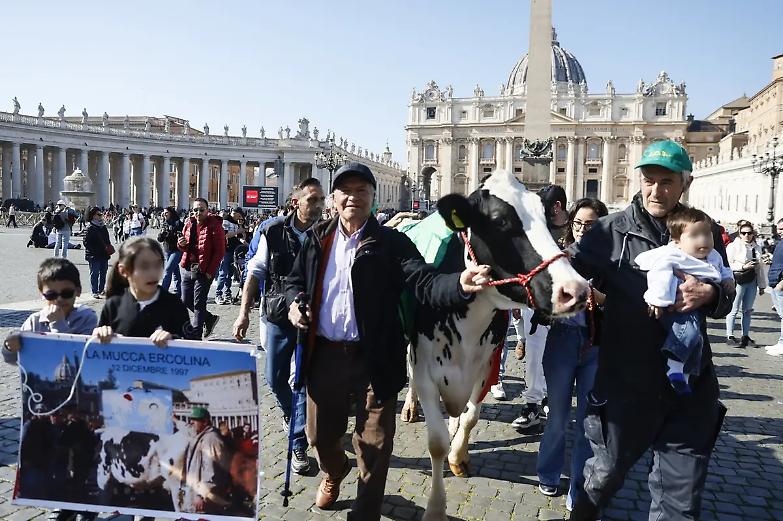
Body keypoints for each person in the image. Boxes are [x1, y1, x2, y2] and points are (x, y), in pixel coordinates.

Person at [284, 162, 490, 520]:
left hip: (375, 357)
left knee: (375, 446)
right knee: (319, 437)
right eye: (345, 190)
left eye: (361, 191)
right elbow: (292, 282)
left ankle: (365, 514)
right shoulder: (316, 239)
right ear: (333, 199)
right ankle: (334, 471)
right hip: (326, 354)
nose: (353, 197)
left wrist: (458, 284)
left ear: (372, 198)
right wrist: (292, 304)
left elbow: (424, 281)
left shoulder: (392, 242)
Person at [567, 140, 733, 520]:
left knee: (681, 502)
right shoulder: (607, 232)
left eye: (666, 182)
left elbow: (726, 290)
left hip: (688, 389)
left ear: (684, 183)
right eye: (649, 180)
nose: (656, 190)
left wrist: (710, 294)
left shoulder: (705, 228)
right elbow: (564, 274)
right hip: (625, 385)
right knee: (604, 478)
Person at [233, 177, 325, 475]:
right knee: (274, 379)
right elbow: (255, 273)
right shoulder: (271, 231)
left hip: (312, 317)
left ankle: (297, 443)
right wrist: (243, 313)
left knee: (301, 381)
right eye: (312, 200)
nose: (319, 206)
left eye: (322, 200)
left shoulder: (326, 234)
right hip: (276, 314)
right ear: (296, 202)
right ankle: (291, 415)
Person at [1, 258, 98, 521]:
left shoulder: (87, 318)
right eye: (51, 294)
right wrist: (10, 347)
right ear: (41, 294)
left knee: (80, 455)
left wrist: (57, 324)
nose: (58, 301)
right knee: (54, 455)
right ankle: (59, 502)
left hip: (79, 404)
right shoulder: (33, 321)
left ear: (77, 291)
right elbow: (13, 360)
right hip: (47, 407)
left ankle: (85, 504)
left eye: (66, 294)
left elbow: (76, 350)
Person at [536, 197, 607, 511]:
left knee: (588, 422)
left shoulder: (613, 258)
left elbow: (621, 300)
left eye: (589, 224)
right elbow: (540, 298)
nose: (581, 229)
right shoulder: (560, 258)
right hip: (563, 341)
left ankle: (579, 487)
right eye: (577, 223)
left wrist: (591, 292)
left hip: (597, 344)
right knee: (557, 416)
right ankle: (548, 471)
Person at [635, 207, 735, 394]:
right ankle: (673, 366)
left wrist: (726, 281)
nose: (703, 240)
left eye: (707, 234)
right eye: (695, 236)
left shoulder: (713, 255)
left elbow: (722, 269)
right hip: (674, 305)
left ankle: (686, 375)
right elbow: (659, 273)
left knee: (697, 342)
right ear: (677, 241)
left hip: (695, 309)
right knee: (688, 332)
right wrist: (658, 299)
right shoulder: (673, 255)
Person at [93, 237, 197, 344]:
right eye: (144, 266)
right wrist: (100, 334)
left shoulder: (174, 305)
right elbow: (98, 353)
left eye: (157, 265)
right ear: (124, 271)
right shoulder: (113, 305)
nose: (153, 273)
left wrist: (173, 340)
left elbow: (193, 348)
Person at [178, 198, 225, 338]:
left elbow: (220, 251)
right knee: (186, 300)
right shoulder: (189, 223)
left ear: (207, 210)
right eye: (195, 210)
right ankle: (209, 318)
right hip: (187, 267)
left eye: (201, 209)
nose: (198, 212)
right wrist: (181, 244)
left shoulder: (215, 225)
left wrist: (210, 272)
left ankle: (196, 336)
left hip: (204, 270)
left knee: (199, 302)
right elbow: (184, 246)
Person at [180, 407, 230, 514]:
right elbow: (186, 428)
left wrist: (201, 495)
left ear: (205, 421)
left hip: (203, 500)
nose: (191, 422)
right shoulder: (201, 436)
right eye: (191, 419)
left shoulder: (211, 440)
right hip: (196, 497)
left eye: (195, 419)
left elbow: (211, 472)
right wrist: (175, 420)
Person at [725, 221, 766, 348]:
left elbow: (759, 268)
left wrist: (762, 285)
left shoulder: (756, 247)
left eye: (749, 233)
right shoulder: (733, 246)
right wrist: (743, 266)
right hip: (738, 279)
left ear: (753, 234)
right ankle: (730, 336)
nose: (747, 235)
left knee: (747, 310)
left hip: (752, 280)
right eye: (744, 233)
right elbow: (728, 265)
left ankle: (745, 335)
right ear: (740, 234)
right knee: (734, 309)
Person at [216, 207, 245, 305]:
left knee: (230, 273)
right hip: (226, 250)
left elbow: (238, 237)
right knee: (223, 272)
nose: (239, 218)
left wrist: (242, 232)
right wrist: (238, 232)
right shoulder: (226, 220)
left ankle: (227, 293)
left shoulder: (236, 222)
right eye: (239, 215)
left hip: (234, 250)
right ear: (235, 213)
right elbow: (226, 235)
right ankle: (218, 294)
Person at [83, 207, 112, 298]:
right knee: (94, 273)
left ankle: (101, 289)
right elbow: (86, 242)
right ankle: (94, 291)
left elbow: (107, 239)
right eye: (98, 214)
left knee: (103, 272)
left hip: (103, 254)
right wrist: (94, 250)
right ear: (93, 216)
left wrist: (108, 247)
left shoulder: (103, 226)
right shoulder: (90, 227)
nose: (101, 216)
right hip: (94, 255)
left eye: (101, 214)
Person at [765, 218, 783, 356]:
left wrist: (781, 284)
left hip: (780, 284)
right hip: (775, 282)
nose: (780, 232)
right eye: (779, 229)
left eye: (782, 229)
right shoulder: (780, 242)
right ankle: (781, 342)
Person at [158, 207, 184, 297]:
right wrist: (162, 234)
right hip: (167, 250)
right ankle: (179, 291)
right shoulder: (164, 223)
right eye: (164, 213)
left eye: (166, 213)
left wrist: (171, 233)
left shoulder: (179, 223)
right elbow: (160, 239)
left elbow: (181, 237)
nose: (164, 215)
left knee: (168, 270)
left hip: (177, 250)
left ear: (171, 213)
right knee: (175, 271)